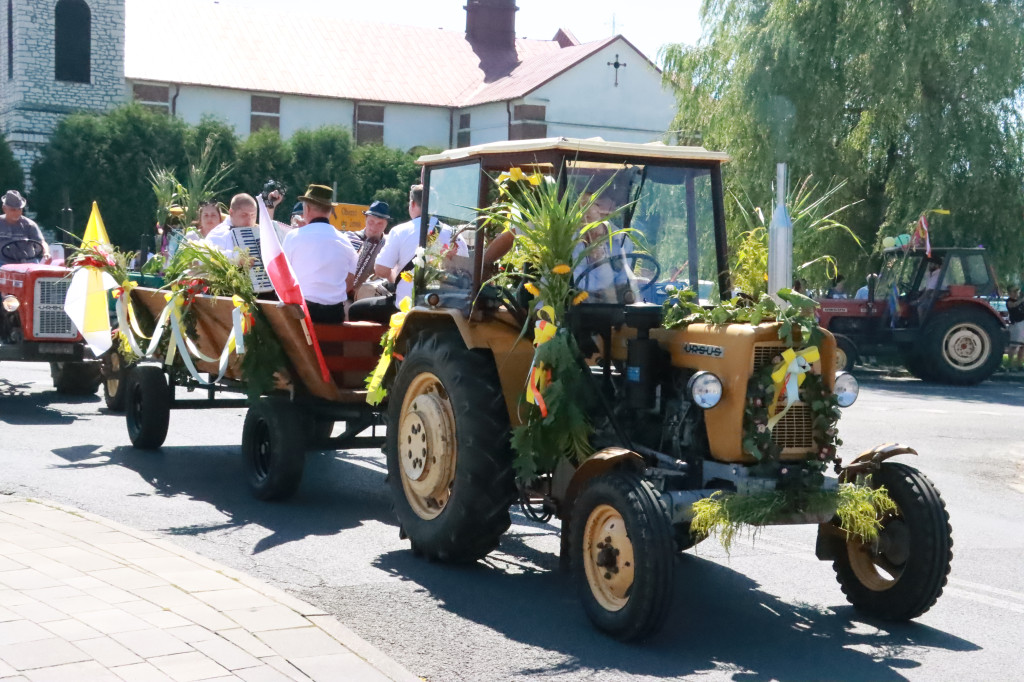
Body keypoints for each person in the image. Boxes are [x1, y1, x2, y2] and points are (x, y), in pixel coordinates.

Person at [350, 184, 464, 323]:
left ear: (413, 203)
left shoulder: (401, 231)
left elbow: (380, 269)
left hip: (408, 308)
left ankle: (383, 345)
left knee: (355, 310)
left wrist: (398, 280)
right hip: (448, 308)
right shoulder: (455, 235)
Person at [282, 184, 358, 323]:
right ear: (330, 211)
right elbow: (350, 282)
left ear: (307, 208)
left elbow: (284, 277)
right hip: (334, 315)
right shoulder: (346, 241)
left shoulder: (293, 237)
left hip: (303, 313)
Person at [347, 200, 391, 297]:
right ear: (365, 219)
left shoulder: (389, 244)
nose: (374, 227)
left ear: (386, 224)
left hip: (373, 298)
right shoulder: (349, 238)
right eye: (371, 222)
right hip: (345, 295)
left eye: (380, 224)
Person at [0, 190, 49, 264]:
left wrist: (46, 252)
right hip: (3, 263)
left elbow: (41, 242)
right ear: (4, 208)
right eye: (13, 210)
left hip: (27, 262)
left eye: (19, 209)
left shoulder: (29, 225)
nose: (17, 212)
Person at [1006, 285, 1024, 370]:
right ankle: (1010, 364)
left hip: (1022, 323)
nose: (1016, 293)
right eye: (1014, 292)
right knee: (1014, 345)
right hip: (1016, 325)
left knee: (1022, 345)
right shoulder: (1009, 301)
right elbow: (1013, 305)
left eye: (1017, 292)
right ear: (1010, 293)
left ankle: (1019, 364)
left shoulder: (1020, 301)